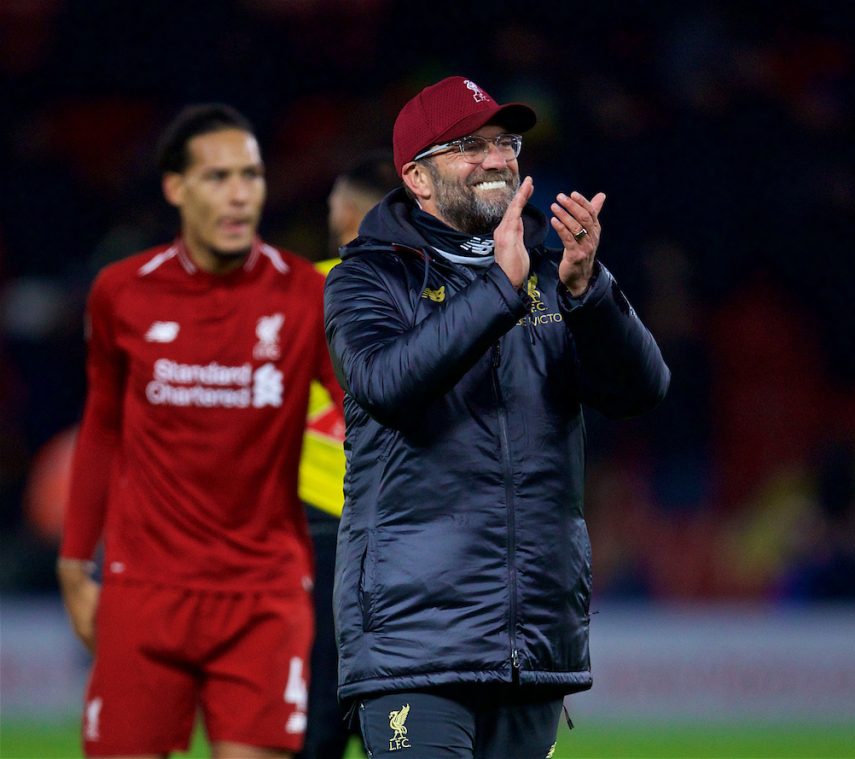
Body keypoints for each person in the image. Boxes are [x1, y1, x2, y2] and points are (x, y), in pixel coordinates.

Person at [324, 76, 670, 757]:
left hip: (531, 640)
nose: (496, 159)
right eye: (468, 146)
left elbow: (642, 391)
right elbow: (386, 384)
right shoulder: (367, 278)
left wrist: (588, 290)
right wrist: (498, 290)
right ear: (417, 179)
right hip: (412, 643)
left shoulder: (553, 273)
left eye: (505, 143)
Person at [57, 103, 346, 759]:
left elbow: (367, 418)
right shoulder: (122, 293)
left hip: (264, 596)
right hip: (144, 591)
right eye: (218, 176)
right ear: (175, 187)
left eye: (251, 174)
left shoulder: (304, 294)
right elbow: (101, 431)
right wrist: (75, 564)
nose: (240, 192)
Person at [297, 152, 393, 759]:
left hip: (322, 524)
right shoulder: (427, 291)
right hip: (401, 526)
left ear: (351, 212)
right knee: (398, 702)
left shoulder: (308, 287)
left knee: (319, 705)